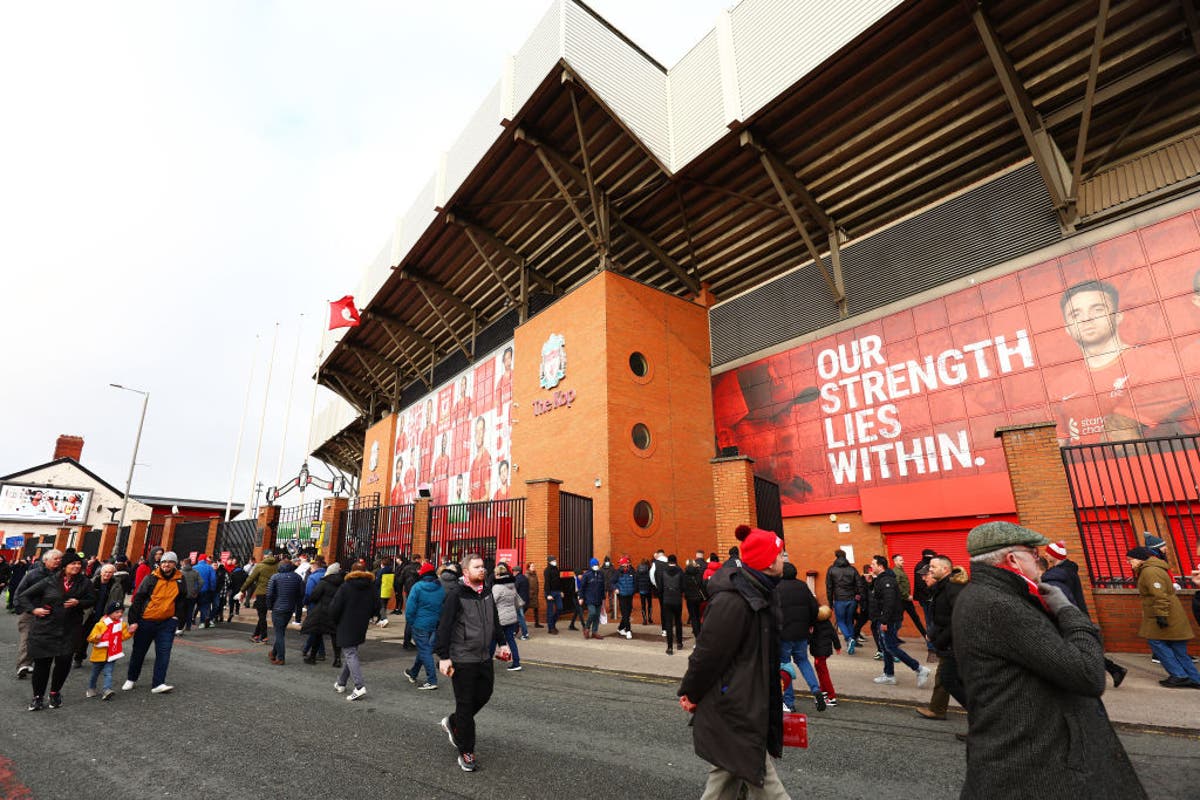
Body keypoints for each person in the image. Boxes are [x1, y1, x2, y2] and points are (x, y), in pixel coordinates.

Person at [952, 521, 1147, 798]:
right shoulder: (1001, 605)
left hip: (1023, 750)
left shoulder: (986, 595)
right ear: (1012, 559)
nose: (1038, 560)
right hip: (1035, 761)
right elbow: (1088, 675)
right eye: (1033, 553)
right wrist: (1068, 611)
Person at [678, 525, 788, 798]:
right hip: (736, 705)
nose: (784, 558)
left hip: (745, 701)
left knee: (728, 776)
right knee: (760, 780)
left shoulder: (762, 591)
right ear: (768, 562)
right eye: (780, 554)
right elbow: (708, 654)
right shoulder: (734, 601)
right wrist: (691, 692)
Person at [435, 553, 511, 773]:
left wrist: (502, 643)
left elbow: (494, 619)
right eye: (476, 567)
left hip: (483, 656)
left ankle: (454, 721)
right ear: (466, 572)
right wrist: (443, 656)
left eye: (482, 566)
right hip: (462, 658)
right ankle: (466, 751)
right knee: (466, 704)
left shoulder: (486, 591)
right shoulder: (456, 594)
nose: (482, 569)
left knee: (485, 693)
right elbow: (444, 626)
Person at [1041, 541, 1128, 687]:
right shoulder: (1067, 570)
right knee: (1078, 647)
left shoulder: (1060, 574)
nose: (1045, 554)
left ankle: (1113, 670)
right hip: (1076, 612)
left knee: (1077, 648)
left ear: (1055, 555)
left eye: (1048, 552)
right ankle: (1114, 670)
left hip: (1071, 614)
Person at [19, 551, 96, 710]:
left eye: (78, 563)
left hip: (70, 629)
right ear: (65, 566)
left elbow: (92, 599)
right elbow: (23, 596)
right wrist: (34, 610)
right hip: (46, 629)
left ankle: (55, 693)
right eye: (73, 563)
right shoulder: (49, 581)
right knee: (42, 664)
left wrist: (78, 602)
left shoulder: (85, 583)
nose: (76, 566)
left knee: (64, 662)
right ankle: (37, 697)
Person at [1127, 546, 1200, 687]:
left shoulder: (1150, 571)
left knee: (1156, 642)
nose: (1129, 563)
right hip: (1171, 612)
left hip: (1164, 613)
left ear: (1140, 559)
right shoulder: (1153, 568)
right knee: (1178, 648)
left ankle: (1179, 675)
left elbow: (1159, 594)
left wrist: (1161, 615)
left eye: (1130, 560)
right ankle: (1194, 679)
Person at [123, 550, 186, 694]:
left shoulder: (180, 579)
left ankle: (158, 683)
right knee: (139, 652)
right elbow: (138, 598)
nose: (166, 565)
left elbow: (182, 599)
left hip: (167, 623)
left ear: (175, 564)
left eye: (170, 562)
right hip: (146, 621)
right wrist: (133, 621)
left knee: (164, 653)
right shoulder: (151, 578)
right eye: (164, 562)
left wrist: (176, 617)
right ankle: (131, 678)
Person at [915, 557, 968, 721]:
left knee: (949, 679)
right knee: (949, 678)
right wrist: (933, 633)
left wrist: (939, 640)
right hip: (948, 643)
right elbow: (940, 617)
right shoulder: (942, 588)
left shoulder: (953, 588)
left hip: (954, 644)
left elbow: (958, 619)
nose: (929, 570)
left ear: (945, 569)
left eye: (933, 567)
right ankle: (938, 709)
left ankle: (983, 716)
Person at [869, 555, 931, 688]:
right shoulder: (881, 579)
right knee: (886, 647)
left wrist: (884, 621)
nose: (871, 566)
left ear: (880, 566)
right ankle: (889, 675)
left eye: (873, 564)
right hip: (885, 618)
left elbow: (889, 601)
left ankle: (919, 669)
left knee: (890, 647)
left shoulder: (887, 581)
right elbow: (878, 598)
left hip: (889, 620)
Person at [778, 562, 825, 712]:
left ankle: (788, 702)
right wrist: (810, 624)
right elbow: (814, 608)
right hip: (801, 633)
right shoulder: (803, 586)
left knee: (785, 666)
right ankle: (816, 690)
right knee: (803, 661)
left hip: (784, 634)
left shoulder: (777, 588)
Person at [14, 549, 64, 679]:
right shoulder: (33, 574)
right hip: (30, 612)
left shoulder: (62, 575)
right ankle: (24, 665)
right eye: (55, 559)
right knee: (27, 637)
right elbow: (20, 593)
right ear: (45, 560)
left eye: (60, 559)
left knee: (44, 639)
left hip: (51, 613)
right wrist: (28, 609)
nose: (58, 561)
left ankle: (39, 663)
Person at [330, 563, 376, 701]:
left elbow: (335, 607)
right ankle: (341, 682)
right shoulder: (370, 586)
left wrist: (335, 620)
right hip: (361, 623)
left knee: (350, 653)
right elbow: (376, 605)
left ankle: (359, 686)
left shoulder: (346, 586)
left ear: (351, 571)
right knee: (351, 652)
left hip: (346, 622)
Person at [76, 562, 126, 667]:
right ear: (101, 572)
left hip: (106, 616)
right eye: (105, 572)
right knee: (83, 638)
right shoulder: (92, 583)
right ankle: (79, 658)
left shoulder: (117, 586)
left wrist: (113, 614)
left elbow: (119, 601)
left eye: (110, 572)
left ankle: (102, 660)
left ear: (113, 574)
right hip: (91, 614)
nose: (107, 574)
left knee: (105, 639)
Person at [404, 562, 445, 689]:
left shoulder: (417, 587)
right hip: (435, 623)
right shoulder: (440, 587)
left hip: (419, 623)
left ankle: (432, 680)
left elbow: (410, 608)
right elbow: (443, 606)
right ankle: (413, 672)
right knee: (425, 649)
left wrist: (411, 622)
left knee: (425, 650)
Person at [86, 601, 134, 700]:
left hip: (112, 654)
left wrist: (130, 632)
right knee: (95, 674)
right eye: (117, 612)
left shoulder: (121, 625)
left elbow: (122, 637)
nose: (120, 614)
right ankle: (91, 688)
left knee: (108, 672)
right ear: (109, 613)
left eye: (121, 612)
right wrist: (96, 637)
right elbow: (90, 638)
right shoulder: (100, 625)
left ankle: (106, 690)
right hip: (99, 655)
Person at [301, 562, 342, 666]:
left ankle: (312, 657)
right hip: (336, 611)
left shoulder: (324, 582)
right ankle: (337, 659)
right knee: (335, 635)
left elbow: (314, 596)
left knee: (317, 634)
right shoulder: (342, 583)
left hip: (322, 611)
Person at [265, 556, 304, 665]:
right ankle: (273, 653)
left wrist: (269, 606)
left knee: (279, 633)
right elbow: (300, 596)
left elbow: (269, 594)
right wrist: (298, 613)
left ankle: (281, 657)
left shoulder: (275, 577)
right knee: (281, 631)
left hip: (278, 607)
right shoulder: (298, 578)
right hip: (290, 608)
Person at [237, 551, 279, 643]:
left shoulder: (260, 566)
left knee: (262, 615)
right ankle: (255, 635)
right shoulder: (277, 566)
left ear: (264, 557)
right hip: (273, 593)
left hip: (261, 593)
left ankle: (264, 636)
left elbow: (250, 579)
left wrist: (242, 590)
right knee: (263, 615)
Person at [490, 563, 524, 671]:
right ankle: (516, 663)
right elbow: (515, 601)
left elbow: (491, 603)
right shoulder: (512, 585)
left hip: (500, 618)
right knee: (511, 640)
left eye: (495, 574)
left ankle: (487, 663)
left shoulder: (497, 587)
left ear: (498, 574)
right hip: (511, 617)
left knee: (493, 641)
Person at [825, 549, 859, 652]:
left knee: (840, 621)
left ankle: (849, 638)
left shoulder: (831, 569)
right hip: (852, 599)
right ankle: (851, 642)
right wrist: (858, 595)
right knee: (849, 621)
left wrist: (830, 602)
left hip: (839, 599)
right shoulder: (852, 569)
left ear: (836, 556)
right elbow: (859, 584)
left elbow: (829, 587)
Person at [891, 554, 927, 646]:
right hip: (901, 601)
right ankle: (892, 638)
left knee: (915, 619)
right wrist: (906, 595)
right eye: (900, 560)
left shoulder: (900, 571)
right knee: (898, 621)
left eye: (902, 560)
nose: (903, 561)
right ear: (895, 562)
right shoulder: (896, 572)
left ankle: (926, 637)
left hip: (906, 600)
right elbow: (897, 586)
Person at [809, 605, 840, 707]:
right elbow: (834, 636)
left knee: (823, 674)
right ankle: (824, 692)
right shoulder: (828, 623)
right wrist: (837, 647)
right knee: (821, 672)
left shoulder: (815, 625)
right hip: (825, 651)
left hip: (819, 652)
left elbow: (810, 638)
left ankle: (831, 697)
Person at [659, 554, 685, 654]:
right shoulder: (680, 571)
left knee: (668, 623)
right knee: (678, 621)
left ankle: (670, 647)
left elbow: (660, 587)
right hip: (677, 599)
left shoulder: (663, 571)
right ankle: (679, 643)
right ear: (676, 561)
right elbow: (683, 586)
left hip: (667, 599)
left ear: (668, 561)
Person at [579, 557, 606, 640]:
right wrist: (581, 597)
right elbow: (582, 587)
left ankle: (594, 632)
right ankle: (586, 628)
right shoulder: (586, 575)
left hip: (599, 598)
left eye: (597, 564)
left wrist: (603, 598)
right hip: (589, 598)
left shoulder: (601, 574)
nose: (596, 566)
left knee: (597, 616)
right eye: (594, 565)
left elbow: (602, 587)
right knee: (592, 613)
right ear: (591, 566)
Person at [613, 556, 635, 639]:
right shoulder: (617, 572)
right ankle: (628, 630)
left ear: (627, 564)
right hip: (622, 595)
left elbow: (635, 581)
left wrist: (634, 589)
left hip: (630, 595)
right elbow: (612, 582)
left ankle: (620, 628)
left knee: (628, 612)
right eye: (621, 564)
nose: (622, 566)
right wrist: (615, 588)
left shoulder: (632, 571)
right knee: (625, 613)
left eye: (623, 564)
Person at [683, 556, 706, 640]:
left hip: (689, 598)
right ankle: (700, 632)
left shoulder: (684, 575)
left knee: (693, 617)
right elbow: (702, 585)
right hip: (698, 598)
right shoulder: (698, 573)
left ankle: (697, 635)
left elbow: (683, 587)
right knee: (698, 616)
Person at [193, 554, 216, 629]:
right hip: (205, 590)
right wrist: (212, 589)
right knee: (204, 606)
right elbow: (213, 580)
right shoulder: (210, 568)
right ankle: (202, 622)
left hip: (194, 590)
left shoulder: (194, 568)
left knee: (192, 606)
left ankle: (189, 620)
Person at [374, 556, 395, 628]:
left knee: (381, 606)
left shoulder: (381, 571)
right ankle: (381, 619)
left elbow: (377, 582)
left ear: (382, 564)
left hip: (381, 589)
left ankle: (384, 618)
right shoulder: (392, 571)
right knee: (384, 605)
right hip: (388, 590)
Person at [543, 556, 562, 635]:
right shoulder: (547, 570)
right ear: (549, 562)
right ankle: (551, 628)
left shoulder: (556, 569)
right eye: (553, 560)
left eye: (555, 560)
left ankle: (552, 624)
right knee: (550, 611)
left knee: (560, 608)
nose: (555, 561)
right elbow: (547, 582)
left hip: (557, 592)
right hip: (550, 592)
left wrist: (561, 591)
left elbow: (558, 580)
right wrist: (548, 594)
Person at [512, 564, 531, 639]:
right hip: (525, 601)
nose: (513, 572)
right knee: (517, 617)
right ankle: (514, 631)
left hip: (519, 602)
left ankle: (525, 634)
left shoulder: (518, 579)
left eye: (513, 571)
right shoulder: (524, 577)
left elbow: (514, 589)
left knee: (520, 618)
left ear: (517, 571)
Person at [225, 557, 246, 622]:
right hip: (240, 588)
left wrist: (228, 588)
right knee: (237, 600)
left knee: (231, 601)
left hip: (233, 588)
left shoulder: (233, 572)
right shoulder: (243, 572)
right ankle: (237, 611)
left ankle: (231, 612)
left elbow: (230, 581)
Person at [635, 558, 653, 624]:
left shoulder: (638, 569)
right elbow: (652, 579)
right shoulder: (650, 569)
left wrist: (637, 589)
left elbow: (636, 579)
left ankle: (644, 620)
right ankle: (650, 618)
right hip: (649, 589)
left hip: (641, 589)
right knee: (649, 604)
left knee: (643, 605)